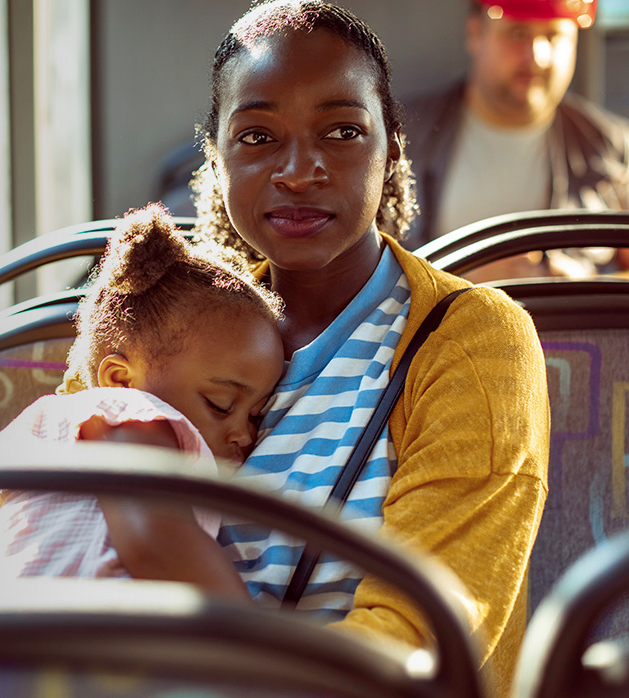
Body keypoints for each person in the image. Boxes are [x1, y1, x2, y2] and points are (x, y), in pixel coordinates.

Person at [180, 1, 548, 695]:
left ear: (392, 149)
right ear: (217, 159)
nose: (298, 171)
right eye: (257, 136)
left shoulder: (472, 342)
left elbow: (422, 634)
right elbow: (35, 507)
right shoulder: (173, 329)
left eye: (343, 131)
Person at [0, 203, 284, 595]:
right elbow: (157, 544)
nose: (245, 435)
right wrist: (257, 629)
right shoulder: (123, 411)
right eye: (220, 404)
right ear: (119, 380)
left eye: (256, 414)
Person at [405, 0, 629, 281]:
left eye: (553, 36)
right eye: (518, 33)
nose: (536, 56)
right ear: (476, 33)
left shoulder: (615, 150)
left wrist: (586, 285)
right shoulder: (398, 140)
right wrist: (457, 283)